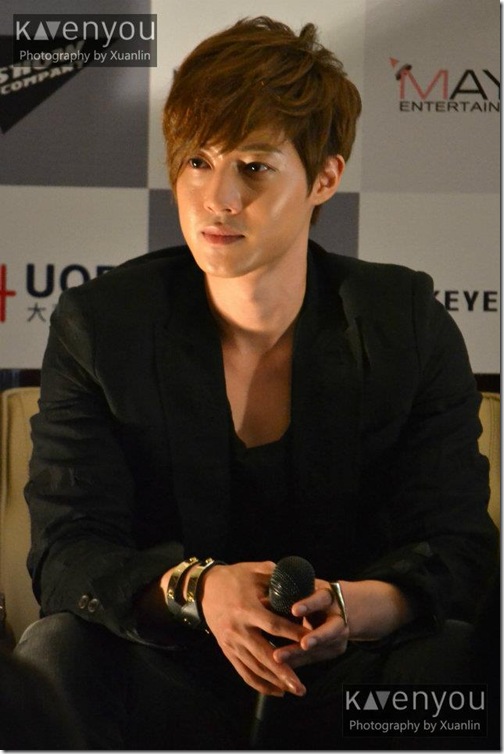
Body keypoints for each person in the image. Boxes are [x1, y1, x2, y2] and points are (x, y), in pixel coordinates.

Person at [15, 16, 498, 750]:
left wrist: (352, 607)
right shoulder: (102, 326)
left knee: (464, 662)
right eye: (198, 162)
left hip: (355, 680)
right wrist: (200, 589)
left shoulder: (404, 321)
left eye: (253, 167)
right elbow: (68, 551)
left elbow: (459, 547)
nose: (218, 197)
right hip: (168, 670)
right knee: (60, 653)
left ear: (324, 178)